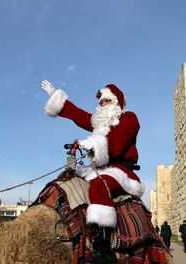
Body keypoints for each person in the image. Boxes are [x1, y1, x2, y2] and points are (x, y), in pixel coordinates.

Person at [41, 80, 145, 263]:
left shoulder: (129, 118)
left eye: (105, 101)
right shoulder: (101, 124)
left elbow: (117, 142)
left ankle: (103, 247)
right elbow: (79, 115)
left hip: (120, 170)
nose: (101, 105)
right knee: (67, 181)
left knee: (98, 187)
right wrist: (59, 101)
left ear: (116, 102)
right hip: (99, 168)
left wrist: (94, 144)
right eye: (100, 102)